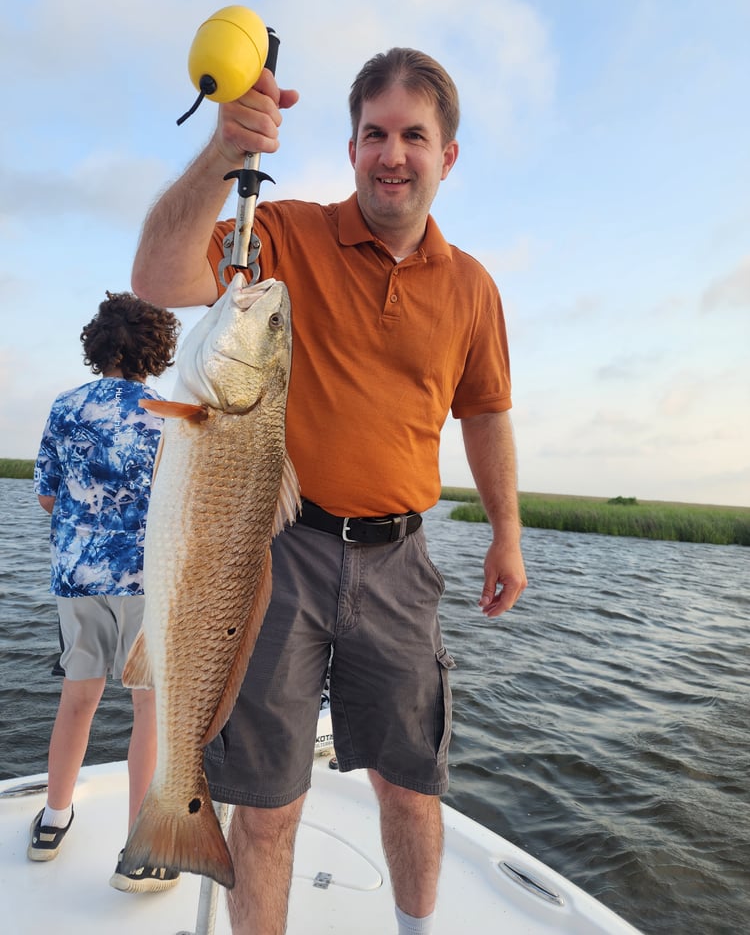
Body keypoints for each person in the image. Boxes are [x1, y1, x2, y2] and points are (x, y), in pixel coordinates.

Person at [132, 46, 527, 933]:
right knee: (267, 811)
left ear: (447, 155)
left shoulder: (474, 288)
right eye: (374, 134)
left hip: (402, 563)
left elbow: (487, 412)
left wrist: (506, 530)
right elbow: (159, 279)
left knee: (413, 789)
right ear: (350, 148)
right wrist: (224, 151)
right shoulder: (284, 235)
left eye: (413, 136)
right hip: (275, 557)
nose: (393, 154)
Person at [30, 291, 181, 894]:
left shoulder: (66, 407)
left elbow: (46, 494)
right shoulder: (173, 413)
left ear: (98, 346)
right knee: (148, 711)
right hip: (148, 580)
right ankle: (140, 852)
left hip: (76, 577)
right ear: (158, 349)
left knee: (77, 700)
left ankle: (52, 821)